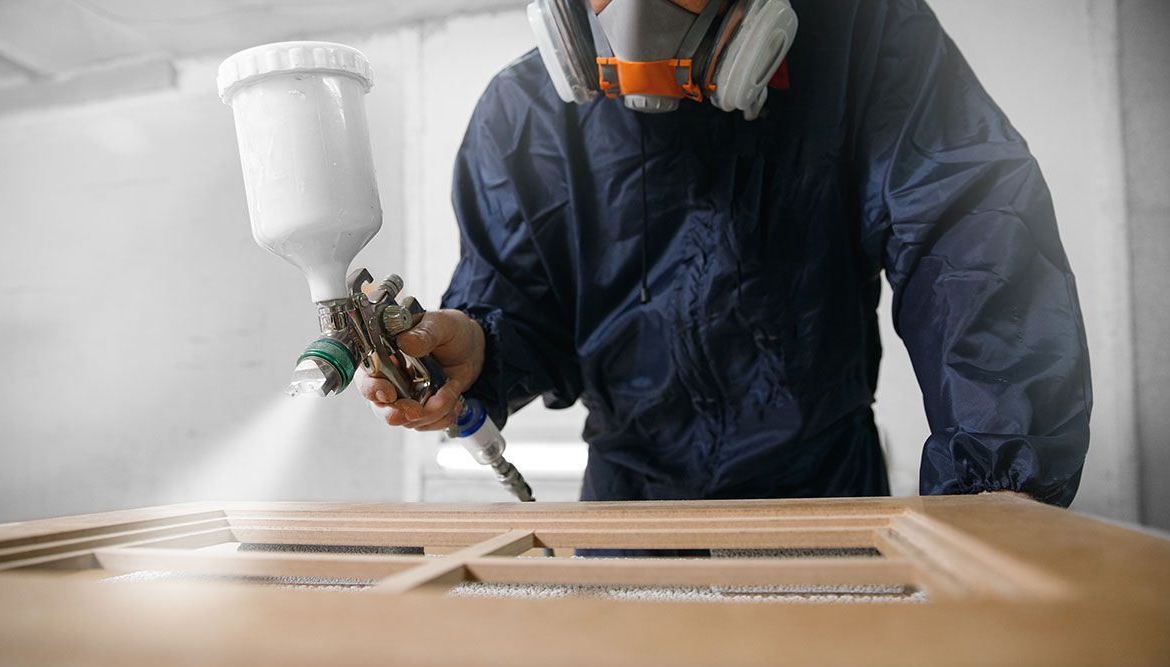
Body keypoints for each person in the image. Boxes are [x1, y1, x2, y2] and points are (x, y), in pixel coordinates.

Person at [355, 0, 1092, 509]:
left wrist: (999, 485)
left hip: (825, 502)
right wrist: (477, 348)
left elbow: (971, 244)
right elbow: (522, 303)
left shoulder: (863, 42)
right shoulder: (526, 110)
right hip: (630, 512)